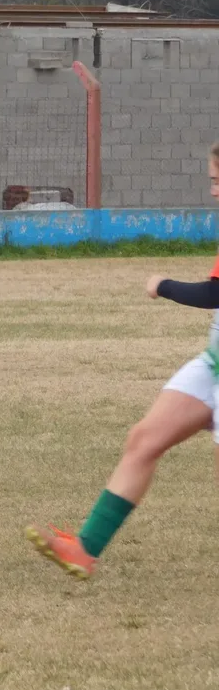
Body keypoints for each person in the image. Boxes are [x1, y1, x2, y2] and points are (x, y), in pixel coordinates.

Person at [26, 141, 219, 580]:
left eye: (217, 181)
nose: (213, 191)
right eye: (212, 180)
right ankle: (84, 550)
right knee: (144, 440)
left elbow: (216, 293)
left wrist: (162, 284)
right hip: (212, 364)